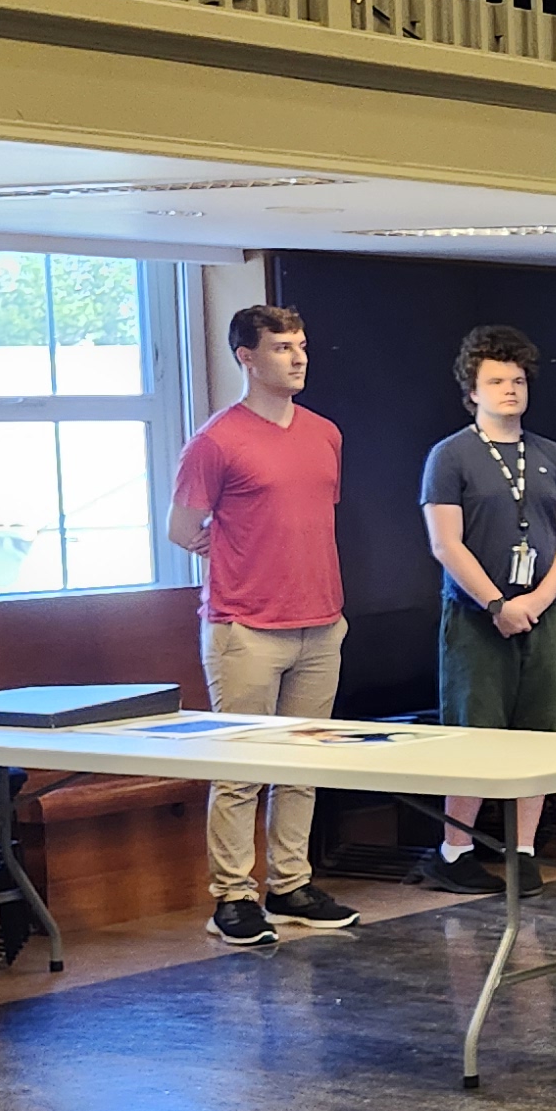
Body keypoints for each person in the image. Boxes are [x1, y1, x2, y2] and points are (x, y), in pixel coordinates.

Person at [166, 301, 362, 947]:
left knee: (304, 763)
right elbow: (181, 528)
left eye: (300, 344)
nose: (298, 357)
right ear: (246, 357)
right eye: (282, 347)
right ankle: (232, 896)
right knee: (241, 768)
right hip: (245, 628)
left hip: (320, 623)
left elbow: (308, 516)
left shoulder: (325, 433)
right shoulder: (217, 440)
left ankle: (290, 884)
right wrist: (234, 553)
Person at [416, 323, 556, 895]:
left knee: (542, 731)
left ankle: (523, 849)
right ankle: (455, 850)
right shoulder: (450, 455)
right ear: (472, 391)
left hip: (544, 611)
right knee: (476, 732)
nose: (510, 390)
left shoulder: (553, 455)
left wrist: (537, 601)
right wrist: (495, 602)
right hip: (477, 616)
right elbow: (445, 544)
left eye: (518, 380)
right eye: (496, 381)